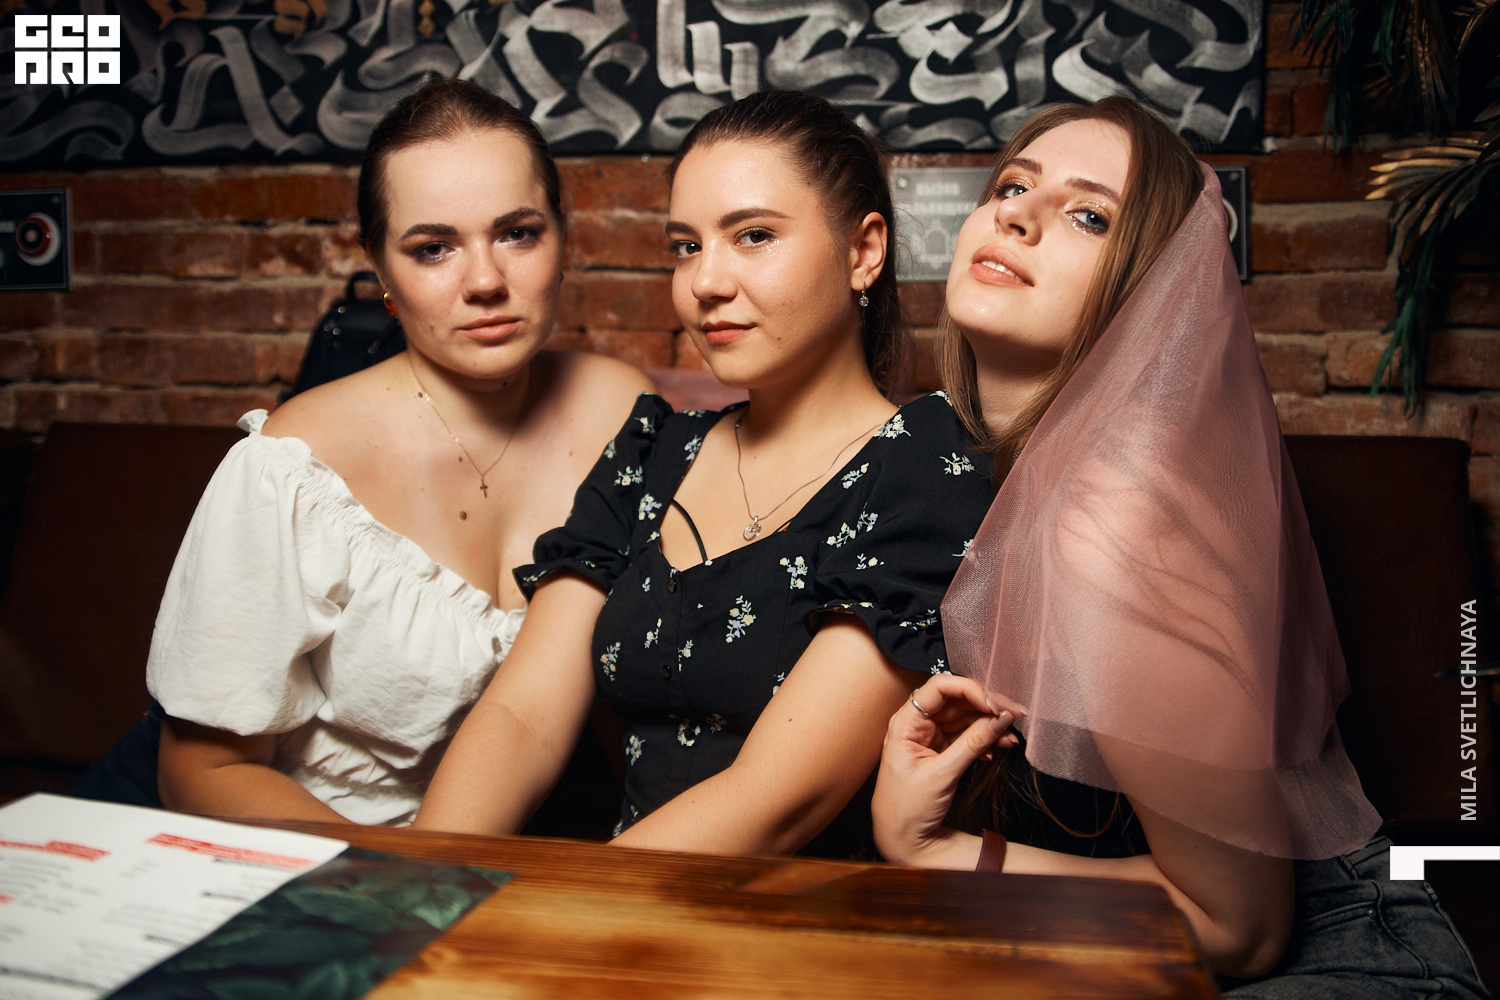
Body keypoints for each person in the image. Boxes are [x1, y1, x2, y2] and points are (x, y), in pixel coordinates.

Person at [871, 96, 1490, 997]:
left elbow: (1240, 929)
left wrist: (935, 851)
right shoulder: (995, 469)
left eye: (1090, 216)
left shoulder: (1112, 520)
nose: (1017, 215)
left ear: (1154, 292)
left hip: (1344, 955)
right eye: (1010, 186)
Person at [415, 90, 996, 857]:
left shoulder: (930, 468)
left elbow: (775, 798)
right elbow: (521, 713)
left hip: (787, 911)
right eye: (686, 246)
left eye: (753, 236)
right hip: (608, 890)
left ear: (863, 252)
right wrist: (420, 890)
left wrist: (556, 911)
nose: (705, 283)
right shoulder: (652, 450)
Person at [116, 79, 651, 826]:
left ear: (564, 237)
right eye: (433, 249)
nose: (486, 281)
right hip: (283, 838)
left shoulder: (621, 412)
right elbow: (202, 772)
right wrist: (394, 880)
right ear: (381, 270)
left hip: (471, 846)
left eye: (518, 233)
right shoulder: (294, 466)